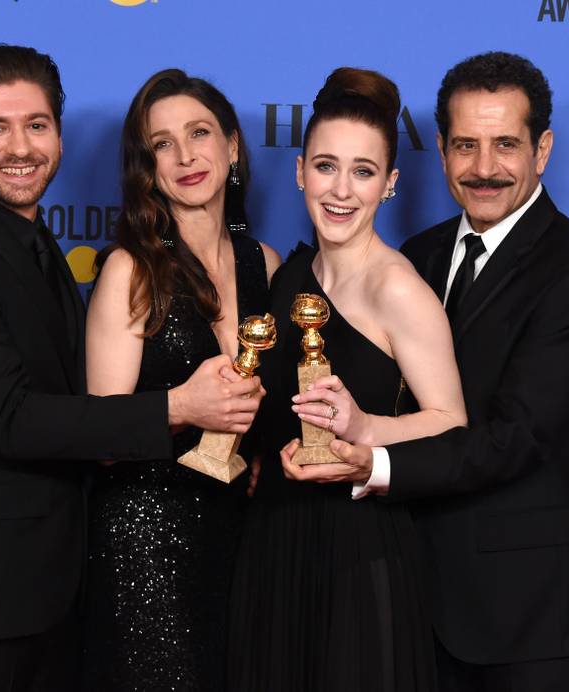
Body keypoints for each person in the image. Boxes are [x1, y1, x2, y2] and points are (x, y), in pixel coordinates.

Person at [0, 46, 263, 692]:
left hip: (56, 593)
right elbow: (12, 419)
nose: (20, 147)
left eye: (36, 125)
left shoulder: (34, 249)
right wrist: (178, 407)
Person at [291, 52, 569, 692]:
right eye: (465, 145)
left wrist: (375, 462)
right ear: (441, 151)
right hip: (414, 597)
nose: (484, 168)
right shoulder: (420, 255)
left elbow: (516, 438)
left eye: (506, 145)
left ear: (543, 150)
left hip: (530, 615)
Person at [227, 67, 466, 692]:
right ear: (300, 170)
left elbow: (451, 423)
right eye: (327, 166)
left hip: (359, 547)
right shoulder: (289, 277)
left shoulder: (399, 288)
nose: (341, 190)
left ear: (389, 185)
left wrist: (366, 430)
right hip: (274, 540)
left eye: (363, 171)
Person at [83, 69, 279, 692]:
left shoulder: (266, 266)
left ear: (233, 146)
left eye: (199, 133)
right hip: (147, 545)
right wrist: (186, 405)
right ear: (146, 167)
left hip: (241, 541)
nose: (186, 155)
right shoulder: (132, 271)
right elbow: (103, 435)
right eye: (162, 143)